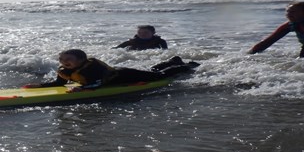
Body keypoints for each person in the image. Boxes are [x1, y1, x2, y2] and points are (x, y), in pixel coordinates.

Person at [23, 49, 198, 93]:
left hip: (124, 75)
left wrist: (82, 88)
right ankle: (172, 60)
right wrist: (38, 85)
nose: (64, 63)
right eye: (62, 60)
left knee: (158, 76)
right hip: (119, 75)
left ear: (81, 60)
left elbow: (97, 83)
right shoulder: (65, 70)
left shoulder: (91, 68)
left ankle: (185, 66)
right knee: (151, 70)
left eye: (69, 60)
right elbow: (58, 84)